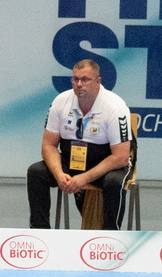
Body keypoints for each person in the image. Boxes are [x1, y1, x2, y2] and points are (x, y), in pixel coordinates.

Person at [28, 58, 133, 229]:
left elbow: (120, 157)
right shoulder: (60, 101)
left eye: (85, 79)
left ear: (98, 81)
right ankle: (40, 231)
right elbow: (48, 145)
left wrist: (83, 178)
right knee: (36, 172)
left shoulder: (115, 107)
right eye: (75, 79)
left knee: (114, 182)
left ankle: (110, 235)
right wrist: (59, 174)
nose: (78, 84)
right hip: (72, 160)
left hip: (106, 164)